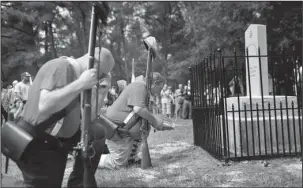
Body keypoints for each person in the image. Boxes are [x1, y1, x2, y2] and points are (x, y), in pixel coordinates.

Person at [14, 47, 115, 188]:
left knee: (96, 132)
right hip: (36, 143)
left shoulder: (79, 78)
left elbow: (90, 118)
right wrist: (81, 84)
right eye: (102, 74)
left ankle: (78, 183)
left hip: (54, 140)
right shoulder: (63, 66)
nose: (100, 78)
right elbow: (45, 105)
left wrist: (102, 91)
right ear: (94, 63)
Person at [98, 72, 174, 170]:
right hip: (116, 129)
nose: (159, 91)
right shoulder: (140, 86)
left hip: (123, 130)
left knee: (127, 161)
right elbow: (138, 109)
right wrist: (156, 122)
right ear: (154, 83)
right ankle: (91, 159)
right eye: (160, 87)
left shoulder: (141, 88)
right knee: (117, 164)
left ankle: (131, 157)